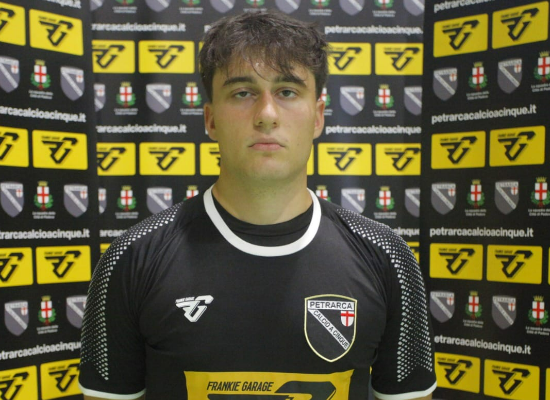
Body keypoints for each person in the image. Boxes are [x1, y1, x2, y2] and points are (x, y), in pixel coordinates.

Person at [78, 10, 436, 400]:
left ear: (318, 117)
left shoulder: (387, 258)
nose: (266, 115)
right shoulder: (132, 258)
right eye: (242, 93)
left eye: (287, 92)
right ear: (211, 120)